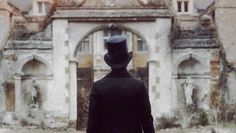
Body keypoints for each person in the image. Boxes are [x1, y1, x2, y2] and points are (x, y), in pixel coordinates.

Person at [87, 35, 155, 133]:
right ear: (127, 61)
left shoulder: (98, 87)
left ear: (109, 62)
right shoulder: (138, 86)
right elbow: (147, 122)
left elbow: (92, 125)